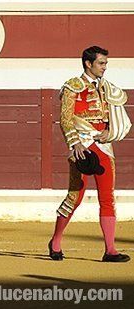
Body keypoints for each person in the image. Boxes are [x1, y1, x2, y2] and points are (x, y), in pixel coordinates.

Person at [49, 46, 131, 262]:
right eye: (101, 63)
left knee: (107, 198)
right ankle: (56, 241)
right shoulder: (72, 87)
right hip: (82, 147)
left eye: (105, 63)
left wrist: (110, 131)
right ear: (88, 63)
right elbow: (66, 119)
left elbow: (112, 115)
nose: (105, 67)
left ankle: (110, 250)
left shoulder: (107, 88)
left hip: (103, 146)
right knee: (75, 197)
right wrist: (75, 144)